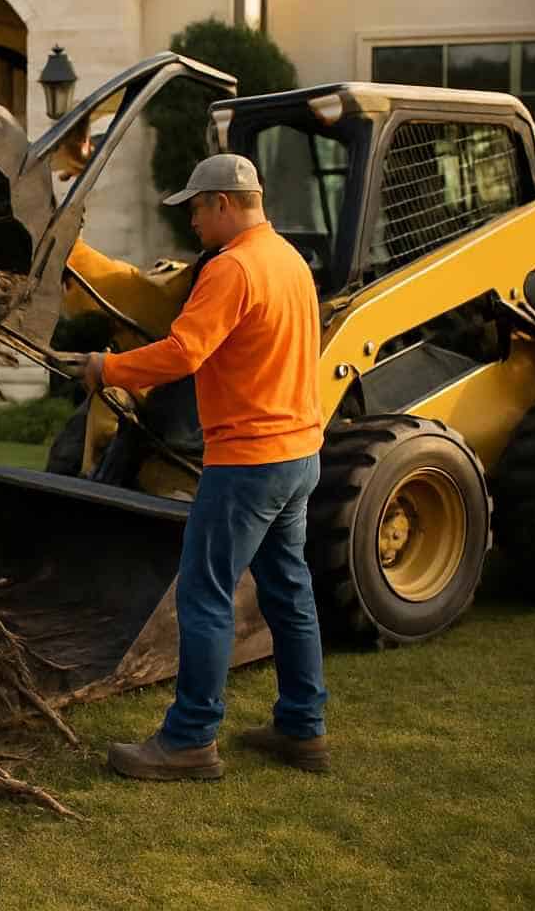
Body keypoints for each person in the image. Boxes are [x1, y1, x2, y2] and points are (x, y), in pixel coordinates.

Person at [81, 153, 330, 780]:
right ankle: (303, 729)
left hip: (248, 462)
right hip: (299, 454)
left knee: (204, 594)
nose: (191, 220)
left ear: (224, 203)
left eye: (195, 206)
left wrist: (108, 370)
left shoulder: (232, 267)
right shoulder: (290, 262)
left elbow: (184, 352)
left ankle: (190, 740)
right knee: (289, 593)